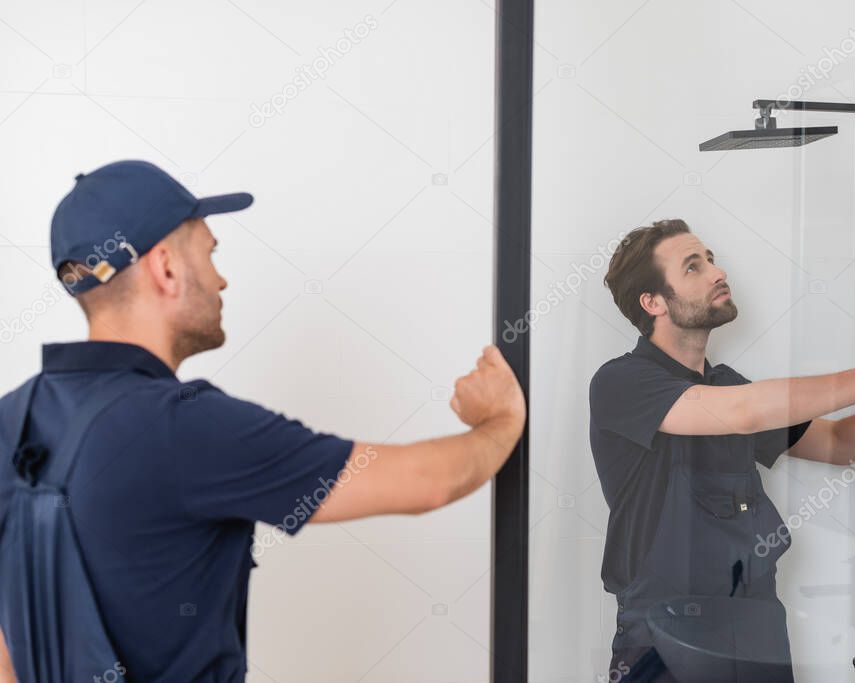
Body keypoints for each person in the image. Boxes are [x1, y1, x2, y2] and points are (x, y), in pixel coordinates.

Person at [0, 160, 526, 683]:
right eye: (209, 253)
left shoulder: (10, 417)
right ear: (165, 268)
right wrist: (499, 422)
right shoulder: (184, 427)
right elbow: (426, 484)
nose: (221, 279)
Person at [589, 219, 855, 682]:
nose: (716, 272)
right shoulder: (622, 383)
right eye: (693, 267)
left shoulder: (727, 384)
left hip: (754, 628)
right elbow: (745, 412)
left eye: (710, 258)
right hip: (663, 636)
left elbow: (840, 443)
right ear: (653, 302)